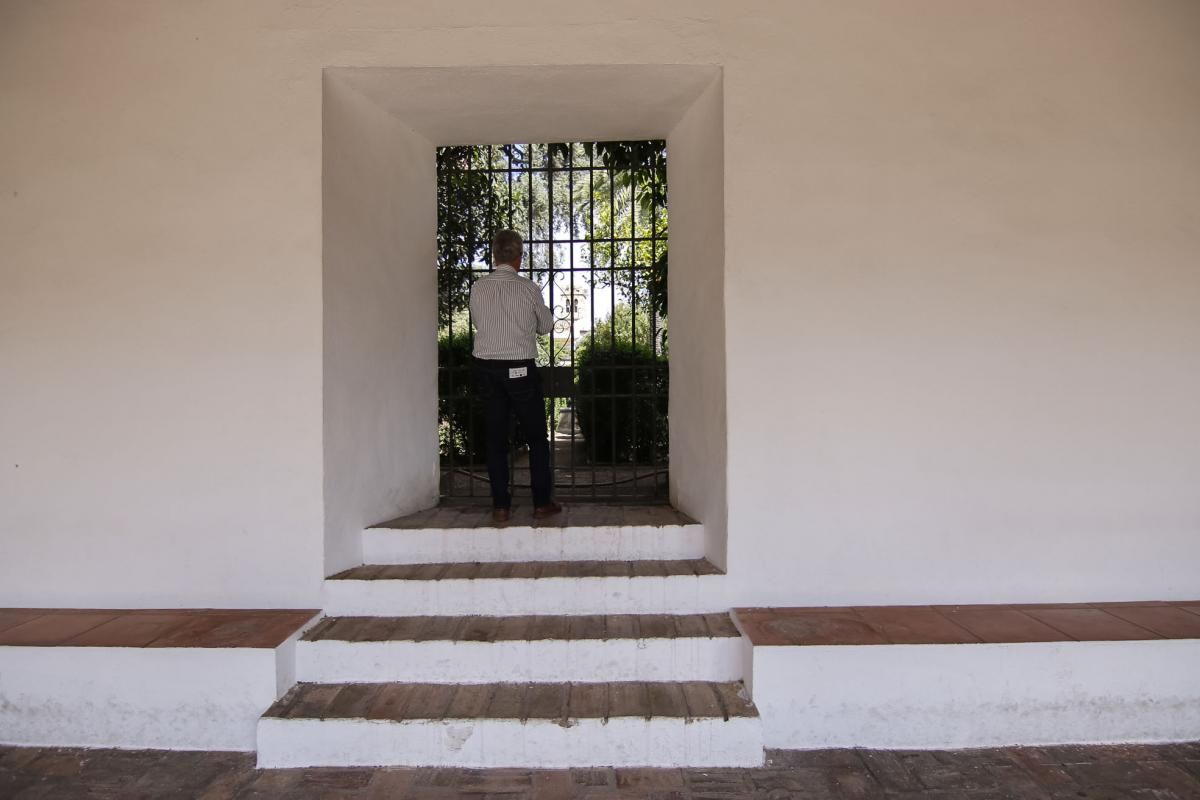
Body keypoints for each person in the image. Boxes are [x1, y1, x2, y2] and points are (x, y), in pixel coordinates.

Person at [469, 229, 562, 523]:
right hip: (520, 369)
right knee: (536, 437)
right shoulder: (529, 289)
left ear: (495, 256)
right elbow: (546, 327)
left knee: (495, 439)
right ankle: (541, 502)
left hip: (486, 368)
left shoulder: (478, 288)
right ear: (519, 257)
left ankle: (500, 506)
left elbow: (477, 321)